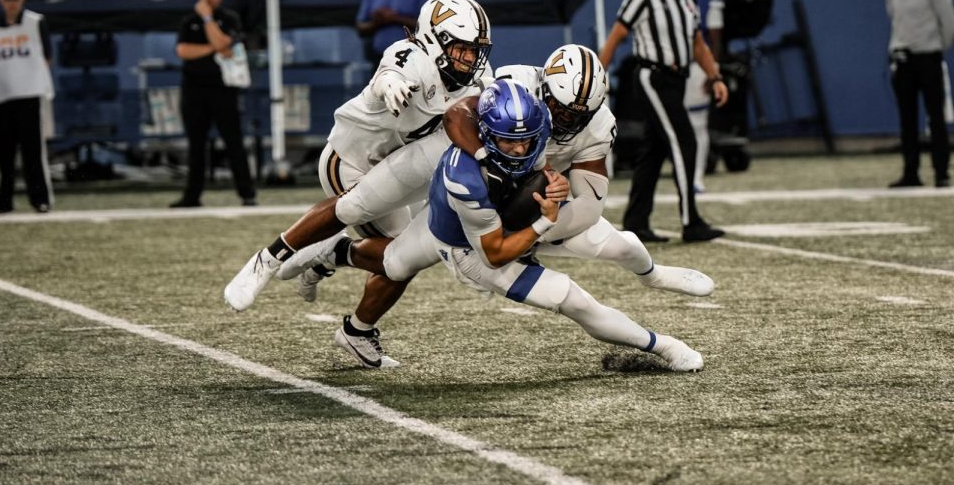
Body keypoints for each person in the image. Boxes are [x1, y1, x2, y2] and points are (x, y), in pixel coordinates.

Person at [297, 80, 707, 372]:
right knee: (576, 301)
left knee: (393, 263)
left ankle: (337, 254)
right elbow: (493, 251)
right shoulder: (469, 172)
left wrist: (551, 185)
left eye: (527, 139)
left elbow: (569, 186)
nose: (519, 147)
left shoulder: (530, 122)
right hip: (465, 241)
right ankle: (664, 345)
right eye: (508, 140)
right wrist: (545, 220)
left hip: (486, 217)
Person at [223, 0, 495, 327]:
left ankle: (336, 274)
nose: (471, 60)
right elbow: (389, 73)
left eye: (475, 50)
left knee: (402, 259)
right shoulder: (413, 57)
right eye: (462, 49)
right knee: (392, 250)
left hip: (396, 168)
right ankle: (266, 260)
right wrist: (390, 85)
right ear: (434, 41)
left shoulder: (477, 78)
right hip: (351, 158)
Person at [598, 0, 729, 243]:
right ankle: (691, 220)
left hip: (677, 79)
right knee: (684, 140)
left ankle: (636, 222)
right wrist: (598, 74)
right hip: (652, 76)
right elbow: (617, 35)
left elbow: (697, 42)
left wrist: (716, 76)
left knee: (654, 150)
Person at [171, 0, 256, 209]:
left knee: (233, 141)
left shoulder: (229, 18)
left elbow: (224, 44)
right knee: (196, 144)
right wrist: (214, 48)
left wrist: (208, 19)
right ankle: (192, 196)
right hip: (194, 89)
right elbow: (183, 51)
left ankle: (247, 193)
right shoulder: (188, 21)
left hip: (224, 90)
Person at [0, 0, 54, 214]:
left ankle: (40, 199)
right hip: (2, 96)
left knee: (33, 151)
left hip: (30, 93)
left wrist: (30, 76)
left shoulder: (35, 22)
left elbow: (47, 56)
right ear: (1, 0)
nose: (12, 4)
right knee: (4, 152)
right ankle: (3, 199)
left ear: (22, 0)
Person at [884, 0, 954, 188]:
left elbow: (949, 21)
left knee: (935, 117)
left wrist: (936, 48)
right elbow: (894, 18)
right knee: (907, 119)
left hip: (928, 57)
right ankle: (911, 172)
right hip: (903, 59)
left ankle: (941, 172)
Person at [681, 0, 725, 193]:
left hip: (697, 66)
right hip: (672, 68)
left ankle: (695, 177)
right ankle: (684, 174)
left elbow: (715, 39)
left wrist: (713, 72)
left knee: (697, 124)